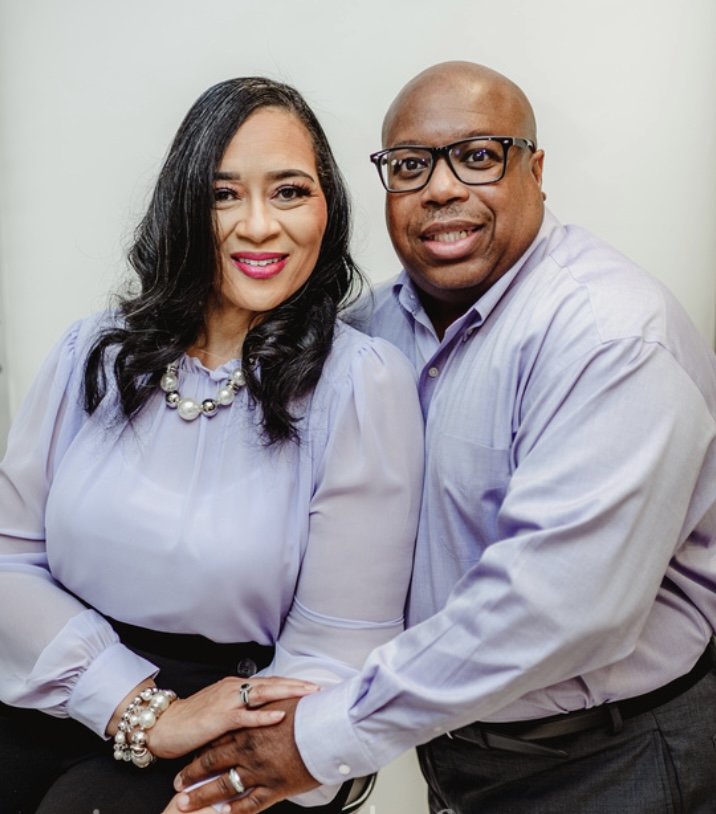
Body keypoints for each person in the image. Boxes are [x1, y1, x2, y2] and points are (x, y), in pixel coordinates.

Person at [171, 62, 716, 814]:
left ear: (536, 170)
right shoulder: (363, 337)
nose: (441, 188)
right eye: (409, 165)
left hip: (614, 760)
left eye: (479, 156)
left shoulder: (610, 337)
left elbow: (558, 609)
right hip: (456, 760)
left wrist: (321, 736)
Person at [0, 76, 424, 814]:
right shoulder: (92, 350)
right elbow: (9, 560)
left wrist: (226, 783)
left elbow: (335, 653)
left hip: (237, 729)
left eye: (289, 191)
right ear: (183, 208)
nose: (259, 226)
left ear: (327, 206)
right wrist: (141, 710)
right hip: (51, 680)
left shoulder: (361, 383)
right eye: (224, 194)